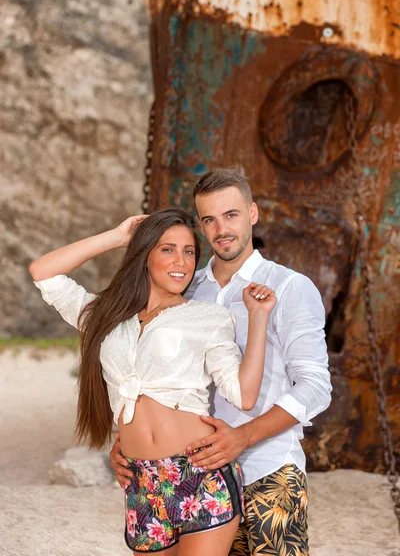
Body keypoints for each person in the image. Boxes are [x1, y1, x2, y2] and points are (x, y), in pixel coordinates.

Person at [110, 169, 332, 556]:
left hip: (268, 466)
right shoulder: (184, 287)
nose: (221, 229)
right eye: (209, 220)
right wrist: (126, 442)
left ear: (253, 213)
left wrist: (243, 437)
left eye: (231, 215)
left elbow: (315, 387)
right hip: (190, 473)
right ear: (200, 225)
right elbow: (148, 371)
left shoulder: (290, 287)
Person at [29, 208, 276, 555]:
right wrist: (117, 237)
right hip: (141, 480)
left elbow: (243, 394)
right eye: (167, 249)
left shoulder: (208, 318)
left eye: (189, 251)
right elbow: (43, 271)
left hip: (200, 474)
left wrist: (259, 318)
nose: (181, 261)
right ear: (144, 255)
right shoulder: (105, 316)